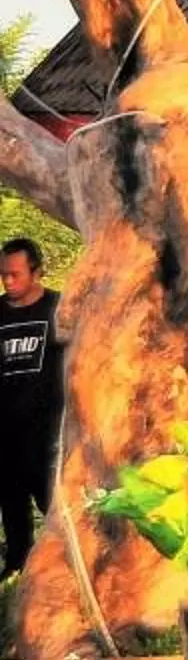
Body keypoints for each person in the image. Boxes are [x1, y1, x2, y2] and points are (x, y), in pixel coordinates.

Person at [0, 239, 59, 579]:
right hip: (7, 433)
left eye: (15, 275)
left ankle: (61, 574)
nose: (8, 282)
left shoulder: (59, 308)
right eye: (3, 276)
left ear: (37, 272)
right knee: (12, 509)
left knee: (55, 509)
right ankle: (17, 569)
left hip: (48, 434)